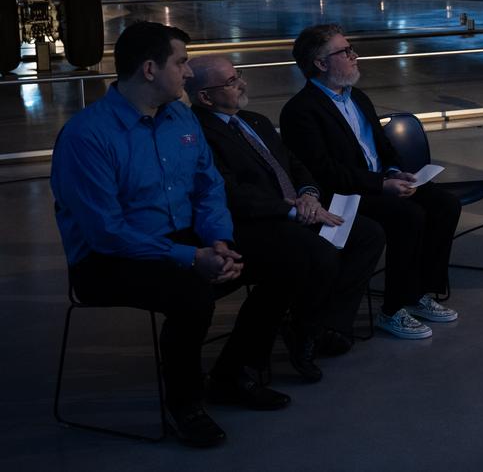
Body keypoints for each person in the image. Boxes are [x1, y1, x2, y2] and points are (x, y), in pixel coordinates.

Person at [50, 22, 290, 449]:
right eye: (180, 63)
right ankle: (185, 405)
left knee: (285, 260)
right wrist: (191, 257)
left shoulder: (180, 117)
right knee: (191, 294)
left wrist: (220, 241)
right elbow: (106, 232)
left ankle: (232, 373)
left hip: (181, 239)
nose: (187, 72)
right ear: (149, 69)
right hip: (107, 260)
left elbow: (208, 186)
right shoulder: (87, 136)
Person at [186, 55, 386, 379]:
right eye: (231, 81)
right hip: (256, 221)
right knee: (318, 254)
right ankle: (304, 329)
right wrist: (292, 209)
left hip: (296, 208)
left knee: (367, 234)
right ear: (205, 97)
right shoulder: (199, 134)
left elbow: (294, 165)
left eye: (240, 75)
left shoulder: (255, 121)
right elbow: (230, 193)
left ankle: (326, 326)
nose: (242, 84)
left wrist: (308, 194)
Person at [280, 24, 461, 340]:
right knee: (409, 217)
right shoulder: (300, 111)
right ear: (321, 64)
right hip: (346, 195)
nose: (354, 56)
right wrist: (380, 185)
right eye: (345, 52)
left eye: (351, 49)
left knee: (444, 204)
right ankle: (393, 309)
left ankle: (419, 292)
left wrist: (393, 172)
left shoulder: (357, 97)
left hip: (380, 183)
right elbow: (323, 171)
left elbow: (381, 146)